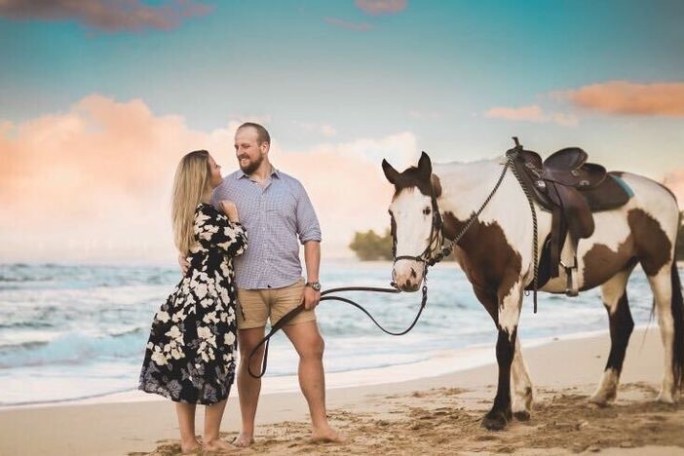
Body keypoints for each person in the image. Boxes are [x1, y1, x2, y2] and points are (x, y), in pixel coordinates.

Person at [212, 122, 342, 446]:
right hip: (246, 288)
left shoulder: (293, 188)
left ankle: (321, 426)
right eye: (236, 147)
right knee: (251, 359)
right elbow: (197, 223)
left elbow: (311, 236)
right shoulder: (224, 190)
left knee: (313, 347)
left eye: (246, 146)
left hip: (290, 287)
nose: (240, 152)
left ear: (265, 147)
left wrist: (313, 283)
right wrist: (181, 253)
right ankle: (247, 431)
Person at [139, 150, 247, 454]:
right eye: (215, 164)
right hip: (209, 303)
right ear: (202, 173)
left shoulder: (193, 213)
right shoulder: (207, 214)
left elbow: (202, 251)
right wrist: (235, 218)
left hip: (193, 300)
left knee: (186, 369)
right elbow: (238, 244)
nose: (220, 167)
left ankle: (189, 440)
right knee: (219, 365)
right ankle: (209, 439)